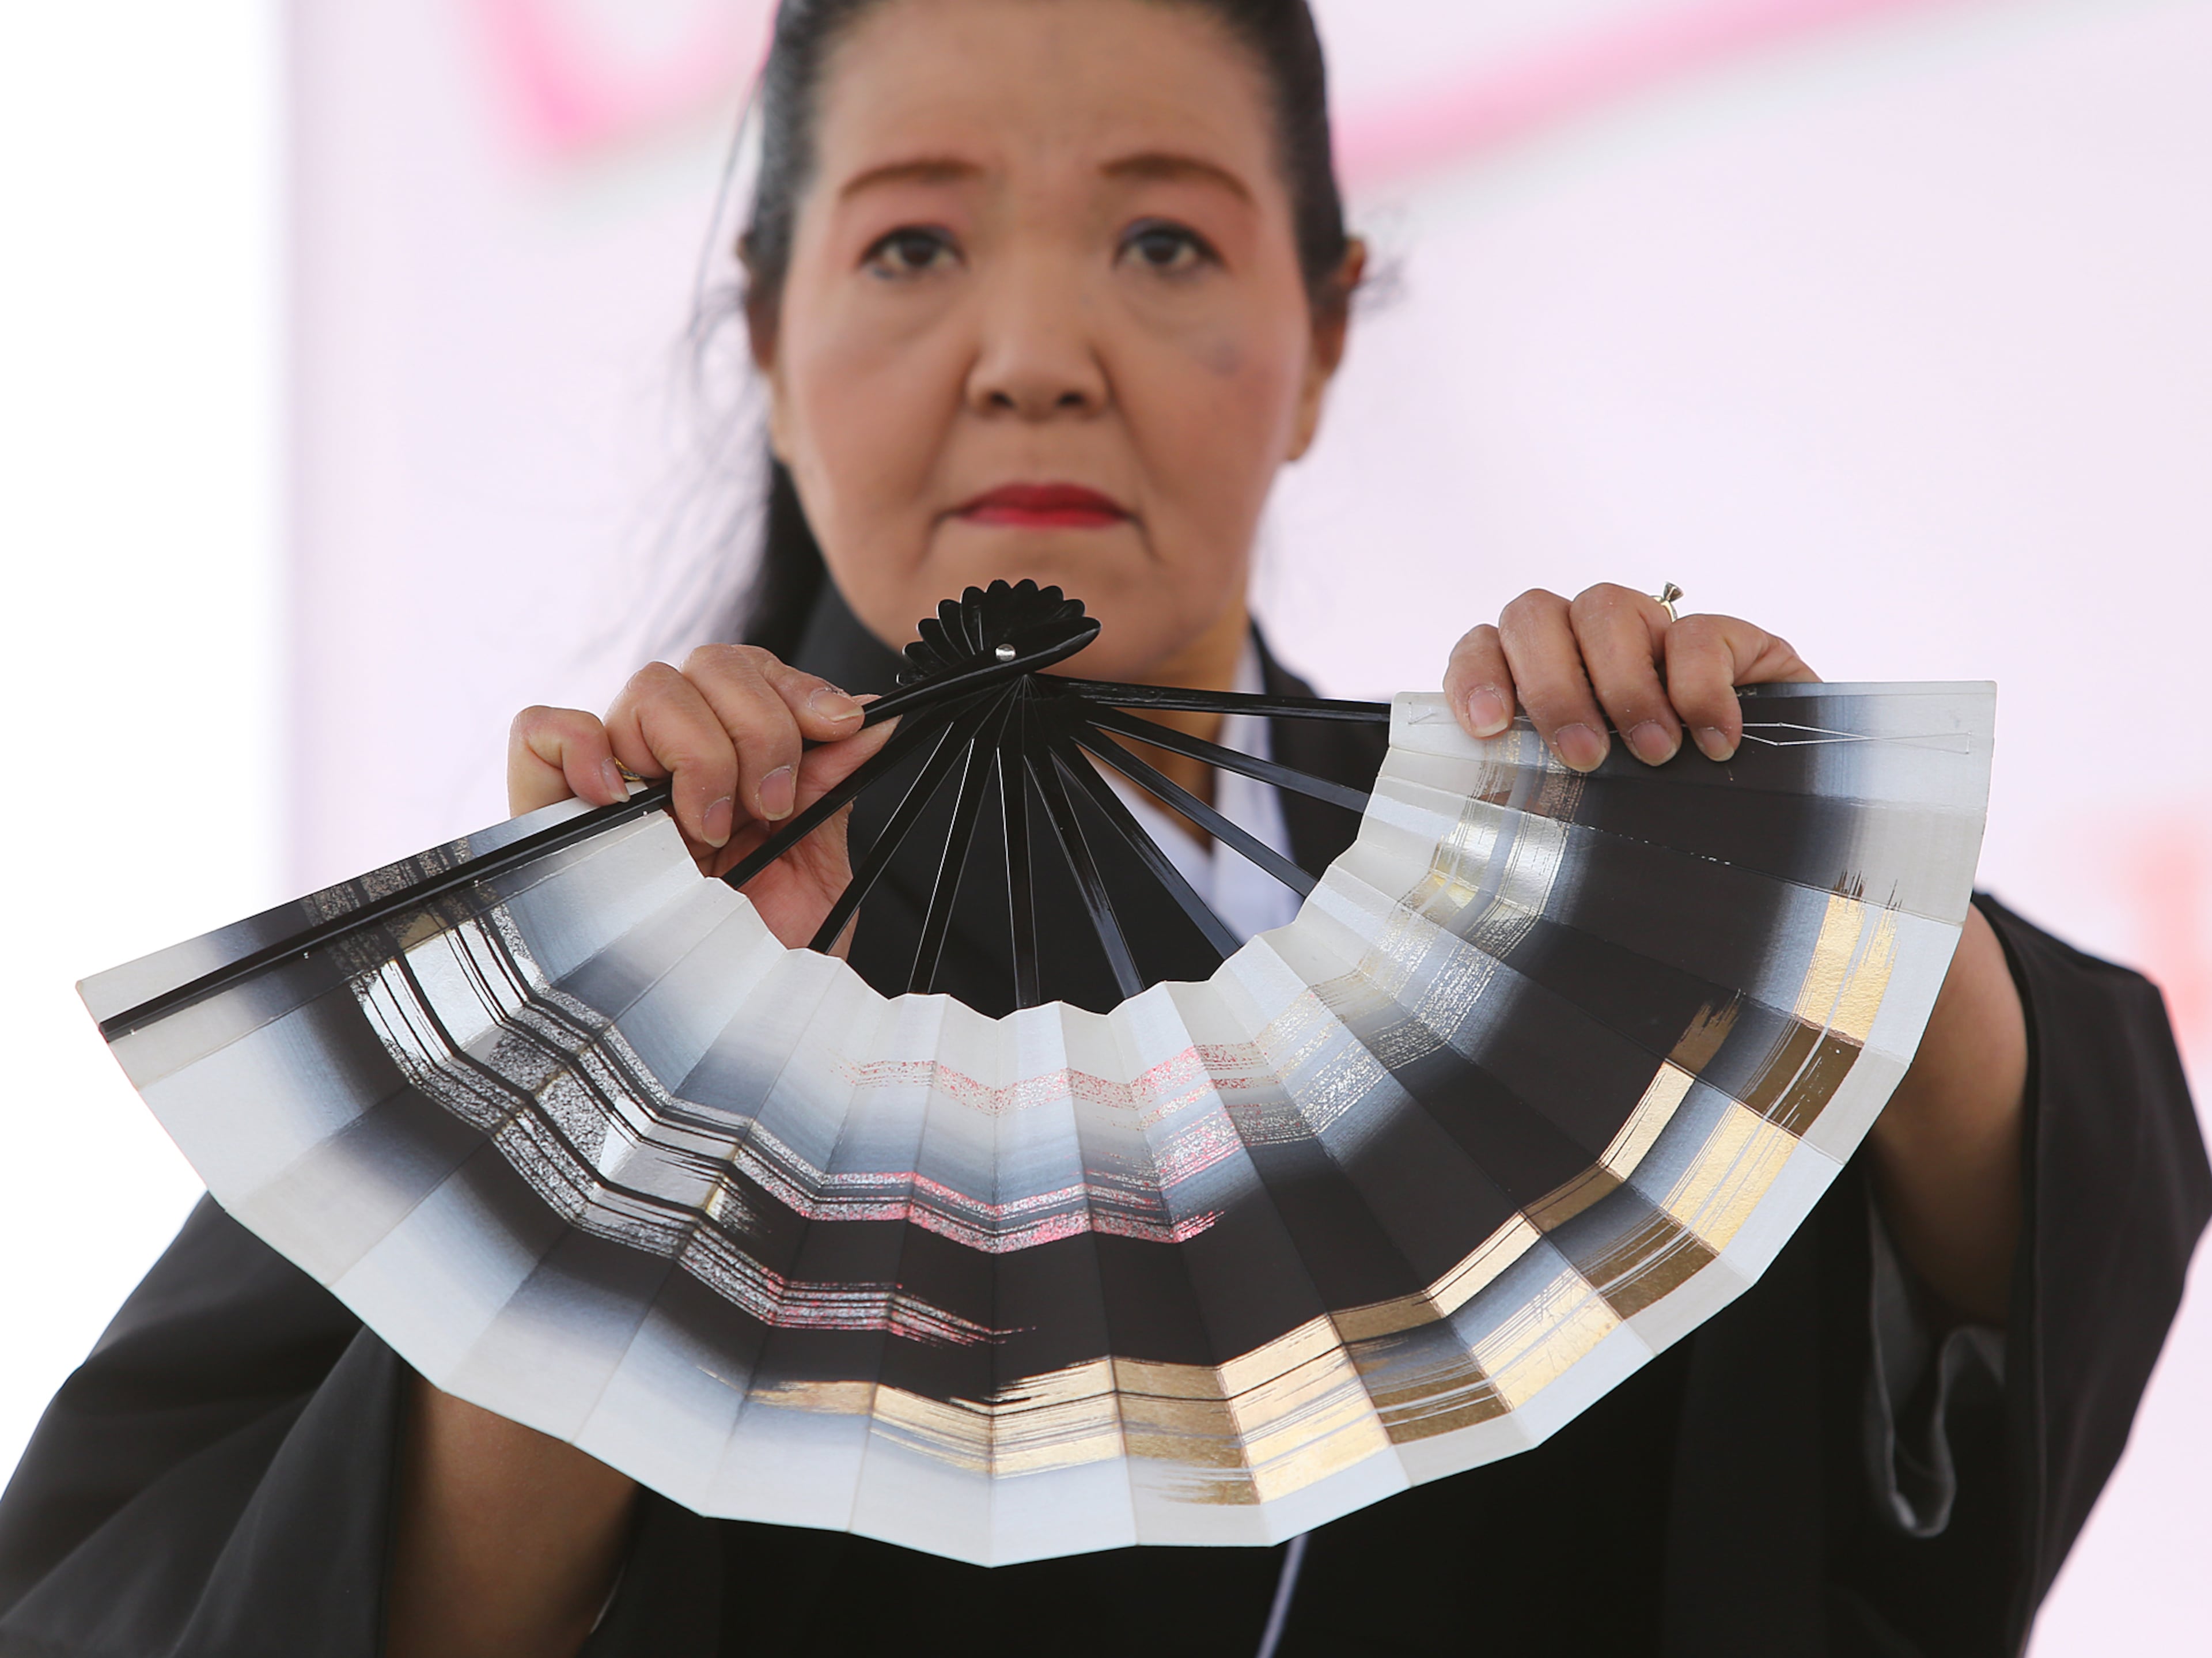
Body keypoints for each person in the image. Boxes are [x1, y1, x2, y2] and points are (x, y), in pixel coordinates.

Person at [1, 1, 2203, 1653]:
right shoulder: (583, 974)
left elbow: (2021, 1248)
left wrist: (1828, 912)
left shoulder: (1580, 920)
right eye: (911, 246)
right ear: (763, 337)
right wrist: (646, 1101)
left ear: (1322, 330)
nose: (1037, 351)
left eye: (1163, 238)